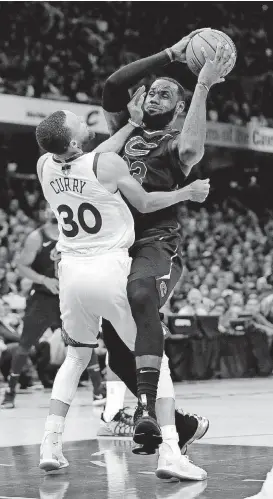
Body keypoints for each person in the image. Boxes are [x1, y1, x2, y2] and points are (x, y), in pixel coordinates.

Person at [35, 107, 210, 474]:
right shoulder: (108, 166)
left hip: (72, 274)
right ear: (71, 139)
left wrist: (131, 124)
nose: (86, 123)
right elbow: (145, 202)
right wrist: (186, 192)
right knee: (153, 355)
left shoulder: (45, 166)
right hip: (110, 268)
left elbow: (94, 157)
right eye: (78, 122)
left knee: (76, 358)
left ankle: (50, 443)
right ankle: (172, 452)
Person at [99, 28, 235, 457]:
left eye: (163, 95)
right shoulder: (125, 130)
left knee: (141, 296)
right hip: (114, 244)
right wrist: (171, 54)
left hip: (157, 243)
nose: (153, 97)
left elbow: (193, 148)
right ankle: (183, 423)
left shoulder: (174, 142)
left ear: (177, 107)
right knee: (115, 350)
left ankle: (145, 413)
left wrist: (201, 87)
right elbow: (113, 86)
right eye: (152, 92)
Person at [0, 209, 61, 408]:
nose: (53, 211)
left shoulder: (74, 234)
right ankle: (10, 392)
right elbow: (21, 266)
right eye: (49, 207)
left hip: (67, 295)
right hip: (42, 297)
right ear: (44, 212)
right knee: (25, 344)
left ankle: (98, 391)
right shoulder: (37, 236)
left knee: (83, 341)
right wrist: (44, 280)